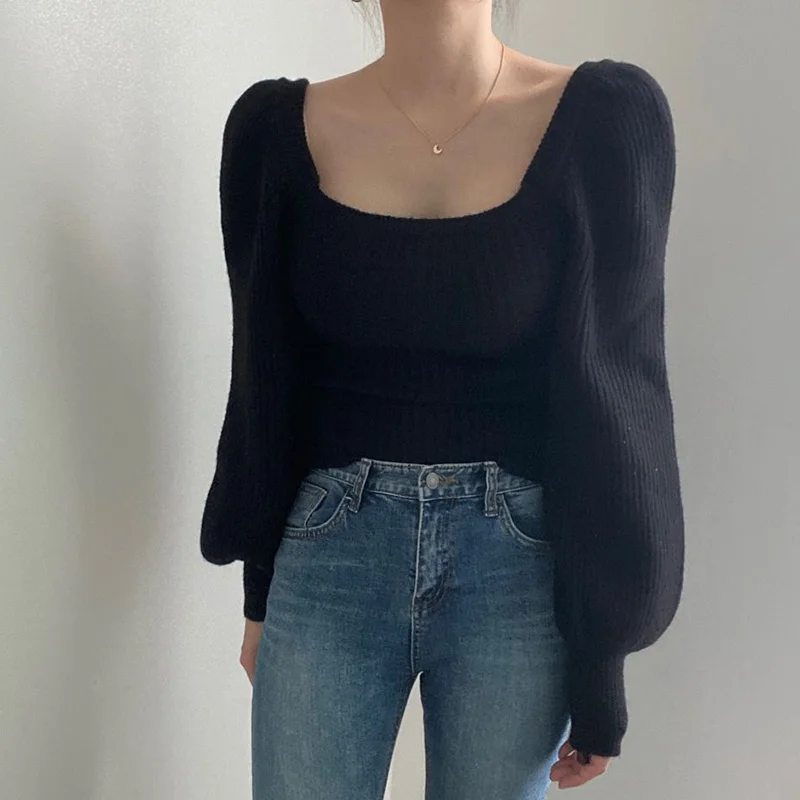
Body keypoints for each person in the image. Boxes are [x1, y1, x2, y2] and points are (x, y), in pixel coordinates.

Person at [200, 1, 685, 797]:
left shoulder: (603, 120)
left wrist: (600, 662)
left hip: (518, 569)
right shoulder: (273, 132)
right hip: (330, 555)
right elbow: (266, 379)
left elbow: (618, 392)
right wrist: (261, 596)